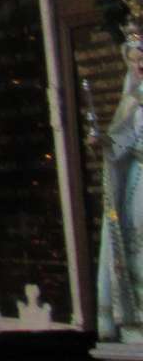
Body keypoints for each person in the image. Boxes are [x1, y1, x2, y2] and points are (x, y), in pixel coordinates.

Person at [101, 37, 143, 340]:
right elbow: (120, 145)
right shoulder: (132, 102)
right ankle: (137, 316)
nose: (140, 65)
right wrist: (104, 142)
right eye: (134, 59)